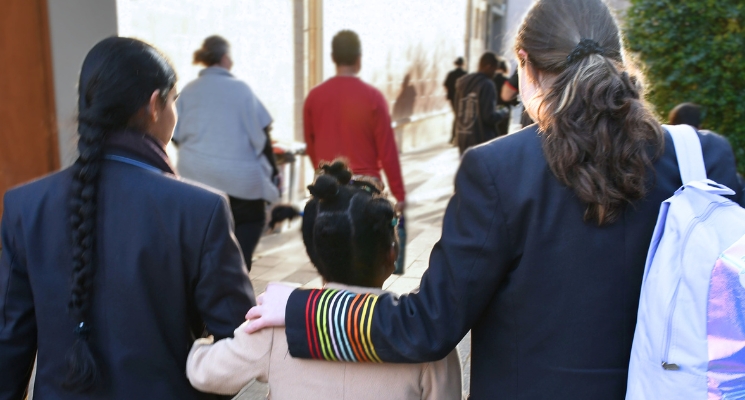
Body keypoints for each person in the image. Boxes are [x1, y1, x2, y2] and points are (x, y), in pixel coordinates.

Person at [244, 0, 743, 399]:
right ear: (619, 60)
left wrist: (303, 309)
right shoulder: (705, 158)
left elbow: (428, 326)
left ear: (523, 66)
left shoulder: (499, 170)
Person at [0, 37, 255, 399]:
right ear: (155, 105)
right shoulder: (200, 209)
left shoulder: (26, 206)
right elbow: (240, 342)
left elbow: (8, 343)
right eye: (174, 101)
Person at [185, 161, 461, 400]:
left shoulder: (276, 324)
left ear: (315, 252)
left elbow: (204, 373)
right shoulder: (424, 338)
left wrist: (202, 343)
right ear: (392, 254)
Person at [173, 35, 279, 271]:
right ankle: (238, 280)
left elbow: (177, 136)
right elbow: (262, 139)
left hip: (195, 185)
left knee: (201, 250)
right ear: (224, 58)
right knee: (243, 246)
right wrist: (273, 178)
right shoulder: (241, 90)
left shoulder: (188, 91)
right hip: (241, 188)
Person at [303, 30, 406, 213]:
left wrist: (324, 173)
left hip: (328, 189)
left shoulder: (314, 97)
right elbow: (388, 151)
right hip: (366, 188)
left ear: (333, 58)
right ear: (359, 59)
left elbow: (311, 146)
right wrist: (400, 195)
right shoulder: (373, 97)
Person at [453, 52, 509, 154]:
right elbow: (489, 117)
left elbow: (456, 109)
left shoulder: (462, 83)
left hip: (463, 137)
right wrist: (502, 112)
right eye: (494, 69)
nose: (495, 73)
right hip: (481, 140)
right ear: (488, 67)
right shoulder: (487, 85)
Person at [444, 57, 467, 142]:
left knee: (456, 116)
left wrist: (451, 91)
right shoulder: (465, 74)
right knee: (460, 116)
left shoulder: (451, 74)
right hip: (462, 98)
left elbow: (446, 84)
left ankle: (454, 136)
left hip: (452, 98)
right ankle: (458, 136)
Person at [492, 56, 513, 137]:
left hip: (492, 110)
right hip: (504, 110)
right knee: (502, 135)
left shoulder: (490, 80)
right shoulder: (507, 81)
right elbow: (512, 99)